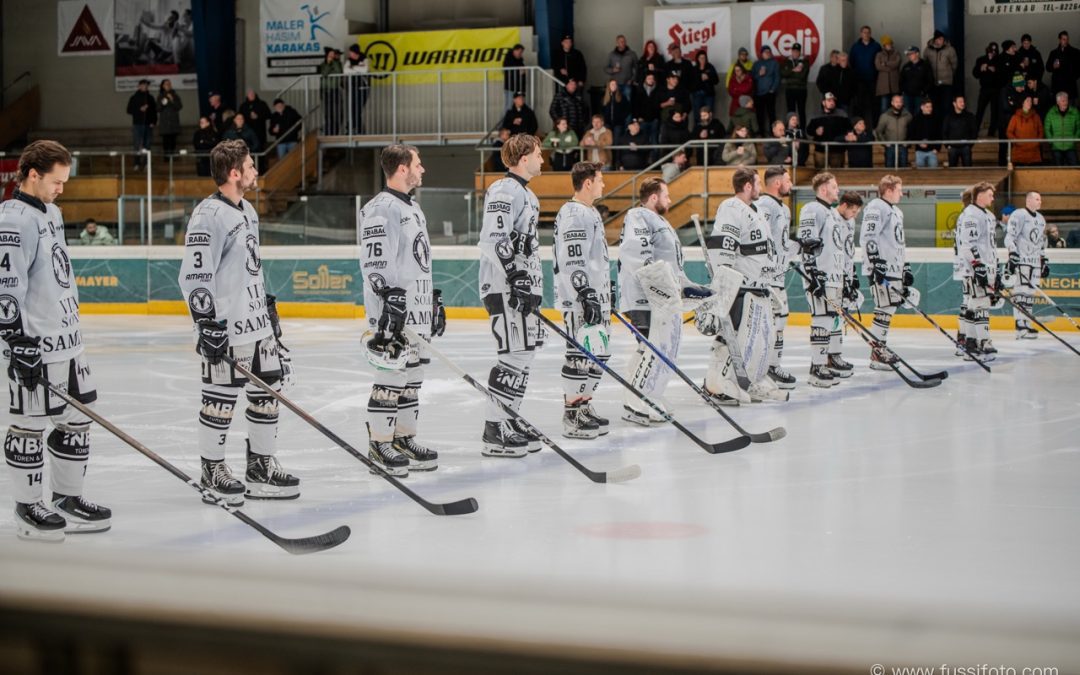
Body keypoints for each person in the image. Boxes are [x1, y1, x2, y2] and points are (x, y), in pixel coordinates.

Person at [177, 140, 299, 505]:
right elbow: (195, 275)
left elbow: (248, 268)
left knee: (268, 393)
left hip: (257, 325)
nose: (255, 171)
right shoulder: (208, 215)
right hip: (228, 327)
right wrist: (206, 322)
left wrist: (267, 308)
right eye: (250, 166)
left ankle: (260, 465)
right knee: (220, 399)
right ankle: (212, 468)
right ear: (234, 173)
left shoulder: (247, 211)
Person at [0, 140, 110, 541]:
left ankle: (67, 498)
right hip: (34, 345)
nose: (62, 188)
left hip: (68, 343)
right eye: (56, 180)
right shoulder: (12, 220)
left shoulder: (53, 212)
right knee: (28, 426)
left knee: (77, 419)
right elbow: (6, 287)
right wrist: (16, 341)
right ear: (32, 174)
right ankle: (28, 506)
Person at [357, 145, 442, 475]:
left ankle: (403, 438)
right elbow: (376, 260)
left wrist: (431, 299)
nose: (423, 170)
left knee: (412, 376)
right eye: (418, 164)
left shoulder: (412, 207)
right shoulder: (380, 209)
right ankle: (379, 443)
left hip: (415, 308)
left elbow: (416, 260)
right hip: (394, 309)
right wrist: (390, 298)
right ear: (402, 168)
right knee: (391, 374)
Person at [618, 178, 710, 424]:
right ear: (654, 197)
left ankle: (645, 393)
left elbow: (672, 266)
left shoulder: (661, 223)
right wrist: (658, 282)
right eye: (666, 196)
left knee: (651, 348)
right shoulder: (639, 215)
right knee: (649, 347)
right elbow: (638, 253)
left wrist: (688, 286)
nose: (670, 200)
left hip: (658, 297)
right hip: (643, 296)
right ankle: (636, 401)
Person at [477, 134, 545, 455]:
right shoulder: (504, 189)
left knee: (525, 355)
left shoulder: (528, 195)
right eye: (538, 153)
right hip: (504, 285)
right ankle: (494, 427)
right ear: (523, 157)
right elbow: (494, 237)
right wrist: (515, 276)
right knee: (513, 356)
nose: (542, 159)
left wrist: (532, 283)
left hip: (523, 286)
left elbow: (525, 245)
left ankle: (510, 415)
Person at [696, 167, 783, 405]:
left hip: (759, 287)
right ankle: (715, 383)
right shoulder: (731, 208)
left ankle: (748, 381)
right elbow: (724, 248)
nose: (760, 188)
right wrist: (724, 288)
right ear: (747, 186)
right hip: (741, 288)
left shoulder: (754, 210)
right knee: (732, 337)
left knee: (755, 341)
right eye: (757, 183)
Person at [553, 162, 610, 438]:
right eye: (600, 180)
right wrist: (585, 293)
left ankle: (584, 404)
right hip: (579, 299)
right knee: (579, 355)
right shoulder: (574, 213)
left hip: (596, 296)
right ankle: (572, 413)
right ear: (588, 183)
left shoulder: (590, 212)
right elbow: (573, 257)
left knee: (599, 352)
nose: (604, 184)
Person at [797, 172, 845, 387]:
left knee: (830, 320)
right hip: (820, 276)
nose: (838, 190)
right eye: (834, 187)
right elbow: (807, 242)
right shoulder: (812, 209)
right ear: (824, 189)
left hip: (833, 277)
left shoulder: (833, 213)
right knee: (821, 319)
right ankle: (816, 368)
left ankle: (824, 362)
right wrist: (812, 273)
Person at [755, 166, 799, 390]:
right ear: (777, 183)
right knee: (769, 325)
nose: (791, 184)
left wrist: (800, 246)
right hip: (767, 278)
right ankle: (762, 368)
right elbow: (761, 241)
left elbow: (780, 245)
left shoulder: (784, 209)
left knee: (779, 324)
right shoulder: (764, 205)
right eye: (788, 180)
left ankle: (773, 366)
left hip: (779, 277)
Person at [859, 175, 910, 371]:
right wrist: (876, 262)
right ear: (888, 190)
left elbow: (898, 243)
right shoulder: (876, 207)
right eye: (899, 189)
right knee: (884, 308)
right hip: (882, 268)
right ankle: (877, 353)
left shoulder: (896, 211)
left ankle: (880, 349)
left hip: (893, 268)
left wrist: (905, 267)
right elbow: (868, 236)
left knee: (889, 309)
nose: (901, 193)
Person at [953, 182, 999, 359]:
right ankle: (983, 342)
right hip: (973, 268)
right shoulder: (970, 215)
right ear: (979, 195)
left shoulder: (988, 215)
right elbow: (968, 245)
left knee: (972, 304)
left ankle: (969, 343)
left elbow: (990, 246)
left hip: (986, 266)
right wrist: (977, 265)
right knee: (979, 304)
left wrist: (996, 269)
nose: (993, 198)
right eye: (989, 194)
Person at [1005, 192, 1048, 339]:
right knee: (1021, 291)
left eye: (1040, 199)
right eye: (1037, 199)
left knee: (1030, 293)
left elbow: (1041, 241)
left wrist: (1044, 259)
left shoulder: (1041, 219)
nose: (1040, 201)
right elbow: (1010, 235)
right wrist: (1012, 254)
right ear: (1028, 200)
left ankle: (1027, 321)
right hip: (1022, 260)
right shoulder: (1019, 214)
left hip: (1035, 261)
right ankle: (1019, 323)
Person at [831, 191, 863, 375]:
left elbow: (848, 250)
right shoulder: (832, 219)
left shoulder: (850, 221)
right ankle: (830, 356)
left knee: (839, 317)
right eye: (853, 211)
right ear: (843, 205)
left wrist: (852, 275)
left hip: (845, 275)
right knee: (832, 317)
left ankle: (835, 354)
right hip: (833, 276)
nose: (855, 215)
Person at [808, 92, 850, 168]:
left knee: (838, 175)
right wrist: (816, 132)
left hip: (837, 150)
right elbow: (809, 130)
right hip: (821, 151)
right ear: (823, 102)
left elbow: (849, 128)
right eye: (829, 100)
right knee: (819, 175)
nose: (832, 103)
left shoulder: (842, 114)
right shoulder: (816, 115)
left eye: (833, 100)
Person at [923, 31, 957, 122]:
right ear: (935, 40)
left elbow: (954, 65)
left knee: (946, 107)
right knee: (934, 107)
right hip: (933, 84)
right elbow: (925, 65)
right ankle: (936, 129)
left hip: (946, 83)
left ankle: (945, 128)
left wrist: (948, 75)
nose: (940, 41)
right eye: (938, 39)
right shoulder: (928, 50)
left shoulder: (950, 50)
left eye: (942, 39)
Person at [850, 26, 882, 122]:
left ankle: (875, 127)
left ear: (870, 33)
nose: (866, 34)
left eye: (868, 32)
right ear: (861, 34)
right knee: (860, 104)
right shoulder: (855, 46)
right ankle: (860, 125)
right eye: (864, 32)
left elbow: (880, 61)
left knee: (874, 104)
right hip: (859, 80)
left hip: (873, 80)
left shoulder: (876, 46)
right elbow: (852, 61)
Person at [126, 78, 157, 170]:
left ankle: (147, 163)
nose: (145, 86)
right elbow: (129, 110)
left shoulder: (150, 98)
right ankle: (137, 163)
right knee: (137, 144)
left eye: (147, 85)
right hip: (137, 124)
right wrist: (139, 110)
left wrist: (153, 122)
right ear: (139, 86)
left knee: (147, 144)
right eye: (143, 85)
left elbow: (154, 112)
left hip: (148, 124)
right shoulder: (134, 97)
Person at [998, 73, 1028, 165]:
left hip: (1017, 124)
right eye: (1021, 86)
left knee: (1016, 146)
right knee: (1003, 146)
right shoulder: (1004, 91)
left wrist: (1013, 104)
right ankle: (1002, 166)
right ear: (1016, 85)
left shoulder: (1022, 92)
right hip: (1004, 124)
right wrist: (1017, 105)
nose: (1023, 89)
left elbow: (1024, 108)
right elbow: (1006, 107)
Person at [972, 42, 1002, 136]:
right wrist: (981, 68)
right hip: (984, 88)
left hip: (996, 89)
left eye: (994, 50)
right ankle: (975, 131)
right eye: (990, 50)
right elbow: (975, 74)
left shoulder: (999, 60)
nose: (992, 52)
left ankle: (991, 132)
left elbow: (1002, 75)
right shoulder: (981, 60)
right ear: (987, 50)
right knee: (980, 110)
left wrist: (995, 70)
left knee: (994, 112)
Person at [876, 94, 912, 168]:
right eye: (896, 102)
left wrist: (908, 142)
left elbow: (913, 130)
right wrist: (885, 143)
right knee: (889, 169)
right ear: (892, 103)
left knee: (904, 170)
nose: (898, 104)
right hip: (890, 147)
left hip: (903, 147)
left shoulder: (908, 116)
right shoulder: (885, 116)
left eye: (900, 102)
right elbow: (879, 131)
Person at [1045, 92, 1080, 166]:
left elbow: (1079, 127)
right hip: (1056, 147)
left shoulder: (1074, 112)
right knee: (1058, 170)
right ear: (1058, 102)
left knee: (1075, 168)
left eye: (1066, 100)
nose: (1065, 103)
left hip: (1070, 146)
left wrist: (1075, 139)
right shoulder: (1051, 113)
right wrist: (1052, 141)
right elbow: (1047, 128)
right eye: (1063, 101)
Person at [1007, 96, 1044, 166]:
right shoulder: (1015, 117)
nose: (1029, 103)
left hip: (1034, 154)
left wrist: (1037, 142)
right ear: (1022, 103)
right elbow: (1009, 132)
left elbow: (1041, 131)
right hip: (1018, 154)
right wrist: (1016, 141)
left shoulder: (1036, 116)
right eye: (1027, 101)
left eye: (1030, 101)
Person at [942, 94, 978, 167]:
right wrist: (947, 145)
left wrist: (970, 144)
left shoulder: (969, 116)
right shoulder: (948, 117)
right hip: (952, 147)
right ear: (954, 103)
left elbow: (974, 131)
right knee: (952, 170)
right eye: (960, 102)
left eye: (963, 101)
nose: (963, 103)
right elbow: (944, 131)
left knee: (968, 169)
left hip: (966, 147)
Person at [780, 42, 810, 125]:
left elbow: (802, 75)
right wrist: (793, 70)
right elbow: (783, 73)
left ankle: (802, 132)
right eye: (794, 51)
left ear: (800, 52)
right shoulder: (786, 61)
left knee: (801, 111)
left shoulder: (805, 61)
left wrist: (789, 73)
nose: (795, 53)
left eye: (797, 51)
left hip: (801, 89)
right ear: (791, 51)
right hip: (790, 89)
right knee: (790, 112)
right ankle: (791, 131)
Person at [342, 46, 370, 134]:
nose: (350, 54)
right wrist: (358, 68)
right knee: (353, 109)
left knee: (358, 109)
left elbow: (365, 70)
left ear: (355, 53)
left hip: (363, 89)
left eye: (351, 52)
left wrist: (352, 67)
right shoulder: (348, 60)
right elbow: (345, 71)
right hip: (353, 89)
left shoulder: (364, 59)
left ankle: (357, 129)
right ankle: (354, 128)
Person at [1047, 31, 1080, 103]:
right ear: (1059, 40)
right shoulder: (1054, 53)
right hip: (1057, 86)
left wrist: (1073, 77)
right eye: (1063, 39)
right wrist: (1053, 66)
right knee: (1057, 108)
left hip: (1070, 86)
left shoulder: (1075, 52)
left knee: (1070, 109)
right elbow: (1047, 68)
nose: (1066, 41)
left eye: (1067, 39)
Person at [752, 46, 780, 132]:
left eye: (769, 51)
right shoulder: (756, 64)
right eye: (765, 52)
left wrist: (772, 89)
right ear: (761, 53)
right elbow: (752, 77)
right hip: (758, 94)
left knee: (771, 113)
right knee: (760, 114)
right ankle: (761, 132)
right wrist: (759, 74)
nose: (767, 53)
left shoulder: (774, 63)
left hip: (770, 93)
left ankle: (773, 132)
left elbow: (777, 77)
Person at [909, 98, 941, 168]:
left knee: (933, 173)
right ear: (922, 107)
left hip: (932, 151)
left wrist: (937, 148)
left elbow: (939, 134)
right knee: (920, 173)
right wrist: (919, 143)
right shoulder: (916, 119)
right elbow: (912, 133)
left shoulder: (935, 119)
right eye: (927, 107)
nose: (930, 109)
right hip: (920, 151)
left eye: (930, 107)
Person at [632, 72, 662, 146]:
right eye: (649, 78)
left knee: (654, 140)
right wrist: (637, 117)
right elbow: (635, 105)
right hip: (642, 120)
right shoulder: (638, 90)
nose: (651, 80)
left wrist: (657, 118)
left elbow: (658, 105)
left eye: (652, 78)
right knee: (643, 141)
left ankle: (655, 157)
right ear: (645, 79)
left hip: (654, 120)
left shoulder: (658, 90)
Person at [900, 46, 932, 114]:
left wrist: (924, 91)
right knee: (908, 114)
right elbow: (901, 80)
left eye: (911, 54)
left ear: (917, 54)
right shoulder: (906, 66)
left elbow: (930, 80)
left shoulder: (925, 65)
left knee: (918, 114)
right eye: (908, 54)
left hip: (919, 95)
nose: (909, 56)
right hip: (907, 95)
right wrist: (903, 91)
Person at [875, 35, 902, 117]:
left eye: (890, 44)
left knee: (896, 106)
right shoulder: (879, 54)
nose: (888, 45)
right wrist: (890, 69)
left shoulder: (896, 53)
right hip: (884, 86)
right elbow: (878, 66)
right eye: (887, 44)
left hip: (894, 84)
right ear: (884, 45)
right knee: (884, 107)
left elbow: (897, 63)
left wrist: (886, 63)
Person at [604, 35, 637, 102]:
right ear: (617, 43)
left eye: (624, 41)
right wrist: (613, 70)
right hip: (615, 84)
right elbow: (605, 68)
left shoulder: (632, 54)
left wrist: (632, 79)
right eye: (621, 41)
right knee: (615, 102)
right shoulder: (611, 55)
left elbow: (636, 68)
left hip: (627, 84)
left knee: (627, 103)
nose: (623, 43)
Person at [690, 51, 720, 124]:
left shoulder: (710, 67)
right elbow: (690, 83)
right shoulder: (694, 69)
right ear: (697, 59)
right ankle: (697, 131)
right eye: (701, 58)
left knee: (709, 114)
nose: (702, 60)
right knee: (697, 115)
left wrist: (708, 77)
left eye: (704, 58)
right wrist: (699, 79)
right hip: (697, 94)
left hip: (709, 95)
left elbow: (716, 80)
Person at [318, 47, 343, 135]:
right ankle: (329, 131)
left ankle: (336, 131)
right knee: (328, 113)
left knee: (338, 113)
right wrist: (328, 64)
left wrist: (334, 62)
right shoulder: (323, 65)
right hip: (326, 91)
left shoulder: (338, 63)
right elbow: (324, 73)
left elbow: (339, 72)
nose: (332, 56)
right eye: (331, 54)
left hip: (335, 90)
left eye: (333, 54)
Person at [156, 79, 182, 156]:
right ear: (163, 86)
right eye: (166, 84)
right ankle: (166, 157)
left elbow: (179, 106)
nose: (168, 85)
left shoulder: (175, 95)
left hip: (173, 122)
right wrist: (163, 103)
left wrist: (172, 99)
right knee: (166, 140)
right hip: (165, 123)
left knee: (173, 140)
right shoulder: (160, 96)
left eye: (169, 84)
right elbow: (158, 108)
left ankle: (172, 156)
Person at [502, 43, 526, 112]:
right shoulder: (508, 60)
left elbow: (522, 70)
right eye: (520, 52)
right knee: (509, 106)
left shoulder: (520, 60)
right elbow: (510, 71)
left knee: (518, 106)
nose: (520, 54)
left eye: (521, 52)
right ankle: (505, 122)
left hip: (518, 87)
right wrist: (519, 70)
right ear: (515, 51)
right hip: (510, 87)